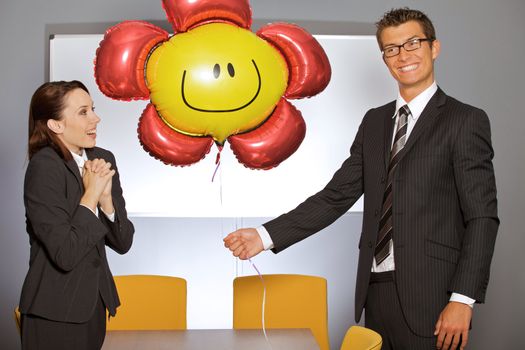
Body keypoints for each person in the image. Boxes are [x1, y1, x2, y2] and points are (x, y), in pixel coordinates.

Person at [224, 8, 498, 350]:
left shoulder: (464, 121)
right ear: (384, 57)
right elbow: (337, 196)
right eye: (392, 48)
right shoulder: (375, 122)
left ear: (434, 48)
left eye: (413, 43)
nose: (404, 55)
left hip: (435, 295)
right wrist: (264, 236)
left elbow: (482, 217)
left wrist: (463, 298)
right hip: (375, 291)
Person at [19, 80, 135, 350]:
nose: (96, 118)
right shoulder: (44, 167)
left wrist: (106, 200)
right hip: (54, 312)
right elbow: (66, 253)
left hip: (93, 306)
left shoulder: (102, 158)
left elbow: (123, 242)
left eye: (92, 109)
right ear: (55, 125)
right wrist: (91, 194)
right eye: (83, 112)